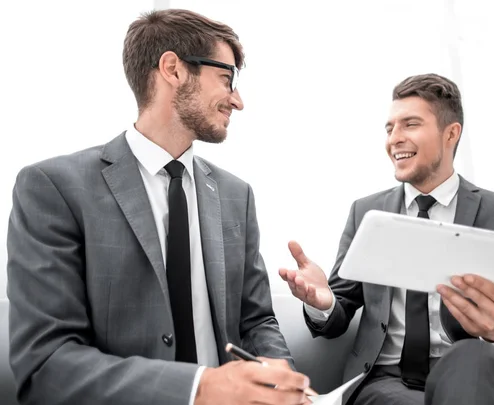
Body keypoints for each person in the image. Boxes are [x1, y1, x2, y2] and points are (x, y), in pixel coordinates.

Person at [7, 9, 310, 405]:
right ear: (173, 69)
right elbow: (47, 364)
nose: (237, 100)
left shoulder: (237, 195)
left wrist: (279, 377)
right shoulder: (53, 188)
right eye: (227, 78)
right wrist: (198, 388)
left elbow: (256, 320)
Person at [279, 73, 494, 405]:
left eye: (410, 125)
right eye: (389, 129)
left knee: (471, 360)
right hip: (389, 383)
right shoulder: (366, 212)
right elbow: (339, 312)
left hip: (475, 375)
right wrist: (322, 302)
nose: (394, 139)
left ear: (451, 133)